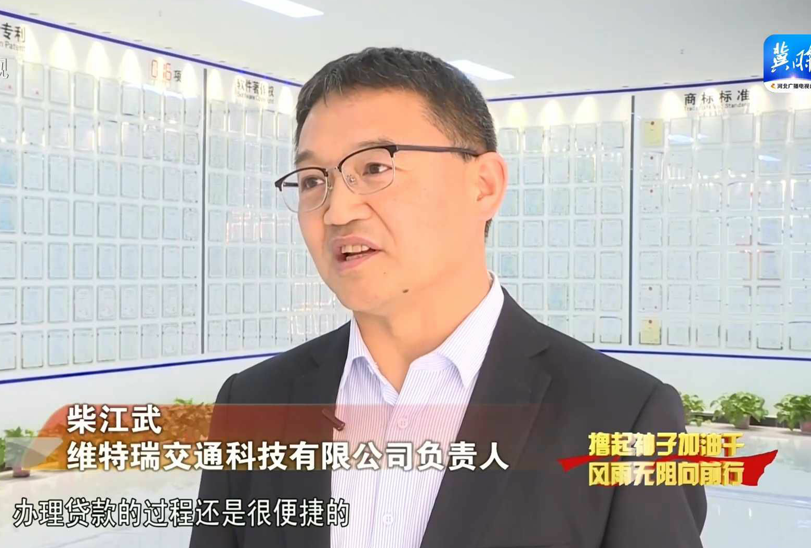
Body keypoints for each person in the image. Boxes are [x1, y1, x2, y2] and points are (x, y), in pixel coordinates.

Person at [190, 47, 706, 548]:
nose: (337, 211)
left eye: (374, 168)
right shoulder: (253, 403)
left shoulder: (623, 416)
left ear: (483, 186)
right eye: (311, 181)